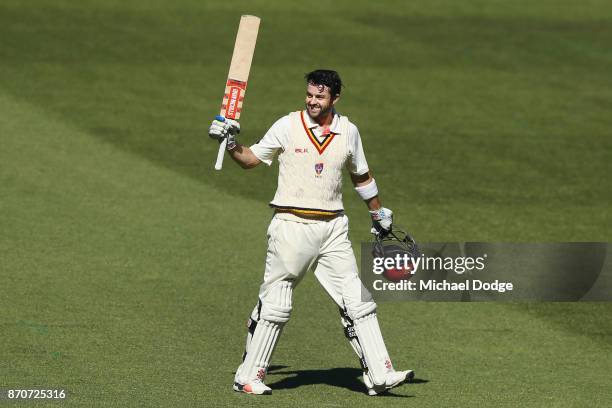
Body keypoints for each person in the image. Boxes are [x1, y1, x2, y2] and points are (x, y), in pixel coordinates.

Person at [208, 69, 414, 396]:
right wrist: (231, 142)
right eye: (309, 95)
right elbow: (250, 160)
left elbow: (361, 175)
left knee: (358, 301)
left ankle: (379, 374)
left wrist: (378, 213)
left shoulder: (348, 132)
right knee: (277, 305)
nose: (312, 101)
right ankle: (248, 376)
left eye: (320, 96)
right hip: (292, 226)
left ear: (335, 98)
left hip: (333, 228)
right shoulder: (288, 126)